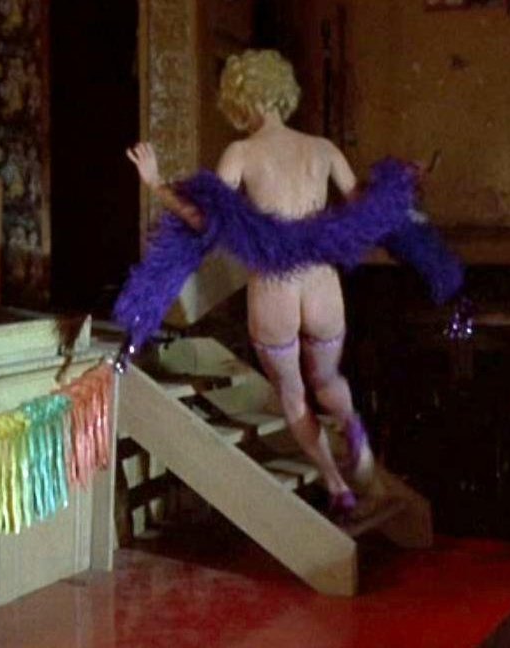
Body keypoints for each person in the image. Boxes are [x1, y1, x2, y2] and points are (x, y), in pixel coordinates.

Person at [126, 49, 374, 519]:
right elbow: (367, 207)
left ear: (239, 99)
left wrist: (155, 183)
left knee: (293, 395)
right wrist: (402, 188)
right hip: (321, 281)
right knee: (327, 378)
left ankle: (337, 485)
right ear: (281, 91)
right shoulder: (323, 149)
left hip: (274, 286)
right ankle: (351, 426)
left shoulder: (241, 153)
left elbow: (205, 220)